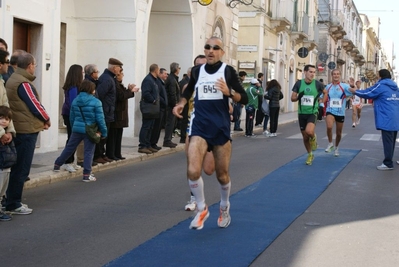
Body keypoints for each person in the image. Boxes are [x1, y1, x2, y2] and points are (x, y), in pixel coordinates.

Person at [173, 37, 248, 230]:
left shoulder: (228, 71)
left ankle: (224, 206)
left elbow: (244, 98)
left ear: (222, 52)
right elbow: (188, 91)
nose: (211, 51)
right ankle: (201, 208)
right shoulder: (197, 71)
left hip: (221, 128)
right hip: (199, 126)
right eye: (207, 47)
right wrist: (180, 104)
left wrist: (229, 92)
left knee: (221, 175)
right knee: (192, 170)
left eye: (216, 48)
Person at [6, 52, 51, 214]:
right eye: (35, 65)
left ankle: (9, 199)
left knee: (16, 167)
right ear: (30, 65)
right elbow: (35, 104)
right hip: (26, 131)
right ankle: (13, 203)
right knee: (22, 168)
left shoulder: (13, 79)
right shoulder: (23, 83)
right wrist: (46, 118)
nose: (35, 68)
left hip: (20, 127)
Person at [54, 80, 107, 181]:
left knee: (69, 148)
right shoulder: (96, 102)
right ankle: (87, 174)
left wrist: (74, 126)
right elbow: (100, 119)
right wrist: (103, 132)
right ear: (91, 90)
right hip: (90, 130)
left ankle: (57, 164)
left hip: (77, 128)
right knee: (88, 152)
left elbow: (72, 117)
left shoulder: (75, 100)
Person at [349, 69, 399, 170]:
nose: (377, 77)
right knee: (392, 140)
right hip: (395, 116)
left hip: (386, 117)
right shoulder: (395, 87)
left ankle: (388, 163)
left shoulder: (381, 85)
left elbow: (368, 93)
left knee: (387, 141)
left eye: (377, 75)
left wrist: (355, 91)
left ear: (380, 76)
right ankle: (389, 160)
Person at [184, 54, 214, 212]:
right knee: (191, 165)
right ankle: (194, 198)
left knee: (209, 170)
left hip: (211, 131)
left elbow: (228, 108)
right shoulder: (187, 87)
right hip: (192, 129)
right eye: (198, 66)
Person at [290, 64, 327, 165]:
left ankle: (314, 139)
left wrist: (322, 102)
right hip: (302, 113)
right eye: (310, 72)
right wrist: (298, 97)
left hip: (312, 112)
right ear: (305, 72)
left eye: (314, 72)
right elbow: (292, 98)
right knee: (305, 137)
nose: (312, 74)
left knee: (309, 132)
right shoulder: (298, 84)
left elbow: (325, 92)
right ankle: (310, 154)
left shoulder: (317, 84)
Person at [94, 58, 123, 164]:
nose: (120, 70)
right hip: (105, 112)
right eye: (119, 68)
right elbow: (99, 95)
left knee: (105, 135)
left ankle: (102, 154)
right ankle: (98, 155)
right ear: (114, 68)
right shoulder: (107, 79)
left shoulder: (110, 78)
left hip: (108, 111)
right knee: (102, 135)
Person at [107, 71, 138, 160]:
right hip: (117, 114)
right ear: (117, 76)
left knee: (118, 135)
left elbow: (124, 94)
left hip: (121, 114)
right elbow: (121, 96)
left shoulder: (120, 85)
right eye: (121, 74)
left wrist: (129, 89)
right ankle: (111, 154)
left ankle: (117, 153)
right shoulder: (115, 85)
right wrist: (129, 91)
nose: (123, 76)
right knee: (113, 136)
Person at [324, 71, 354, 157]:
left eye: (338, 74)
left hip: (340, 112)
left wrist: (352, 86)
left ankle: (336, 147)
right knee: (329, 126)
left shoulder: (344, 86)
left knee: (339, 133)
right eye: (334, 74)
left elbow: (353, 91)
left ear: (340, 75)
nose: (336, 75)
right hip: (330, 110)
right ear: (332, 75)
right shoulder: (328, 86)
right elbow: (322, 96)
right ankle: (330, 143)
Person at [60, 64, 84, 172]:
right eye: (81, 72)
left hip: (70, 114)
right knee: (72, 138)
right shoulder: (73, 87)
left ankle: (70, 161)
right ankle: (67, 161)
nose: (83, 74)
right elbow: (74, 103)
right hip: (71, 115)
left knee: (74, 138)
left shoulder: (74, 86)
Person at [77, 64, 100, 167]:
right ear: (92, 73)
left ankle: (87, 160)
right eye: (97, 72)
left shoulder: (92, 82)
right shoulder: (87, 84)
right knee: (84, 139)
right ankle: (82, 160)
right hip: (86, 115)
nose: (98, 74)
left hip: (88, 114)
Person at [138, 64, 160, 154]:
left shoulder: (154, 80)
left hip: (153, 108)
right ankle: (142, 145)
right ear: (155, 70)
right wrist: (153, 100)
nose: (159, 72)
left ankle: (148, 145)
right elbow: (146, 93)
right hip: (149, 107)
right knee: (146, 126)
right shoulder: (148, 80)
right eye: (158, 70)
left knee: (151, 127)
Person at [0, 106, 16, 221]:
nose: (4, 121)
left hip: (7, 166)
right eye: (1, 118)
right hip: (1, 167)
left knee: (2, 191)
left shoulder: (7, 134)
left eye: (7, 119)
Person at [150, 67, 168, 151]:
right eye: (164, 73)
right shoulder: (158, 82)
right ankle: (152, 143)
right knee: (156, 127)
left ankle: (154, 143)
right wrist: (164, 101)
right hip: (159, 107)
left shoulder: (162, 82)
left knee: (158, 127)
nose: (166, 75)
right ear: (160, 74)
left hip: (162, 107)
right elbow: (158, 95)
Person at [163, 62, 180, 148]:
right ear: (176, 69)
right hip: (171, 105)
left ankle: (168, 139)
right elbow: (172, 93)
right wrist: (176, 104)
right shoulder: (172, 79)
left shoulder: (173, 78)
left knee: (172, 122)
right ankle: (167, 140)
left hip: (172, 105)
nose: (180, 69)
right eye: (179, 68)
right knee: (170, 122)